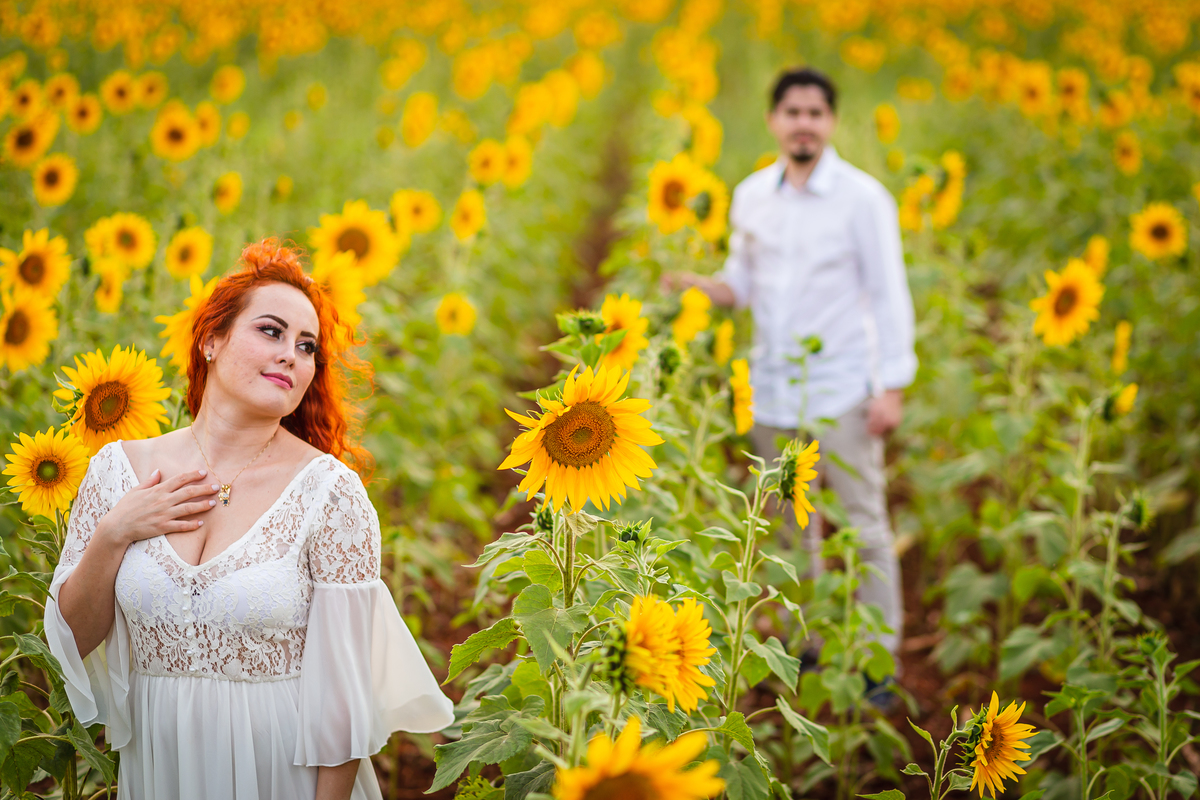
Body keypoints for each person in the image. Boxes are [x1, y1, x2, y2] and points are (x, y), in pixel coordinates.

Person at [45, 240, 454, 800]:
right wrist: (116, 532)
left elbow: (343, 702)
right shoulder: (118, 472)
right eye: (271, 331)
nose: (292, 354)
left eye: (307, 346)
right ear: (211, 340)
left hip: (280, 774)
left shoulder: (330, 493)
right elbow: (74, 637)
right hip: (160, 772)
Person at [663, 67, 916, 673]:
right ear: (774, 120)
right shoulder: (752, 195)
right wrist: (697, 286)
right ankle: (807, 647)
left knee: (864, 523)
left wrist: (894, 385)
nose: (804, 123)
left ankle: (878, 661)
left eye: (815, 113)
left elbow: (889, 293)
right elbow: (742, 285)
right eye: (793, 112)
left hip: (846, 388)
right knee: (787, 530)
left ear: (830, 122)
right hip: (774, 391)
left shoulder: (863, 199)